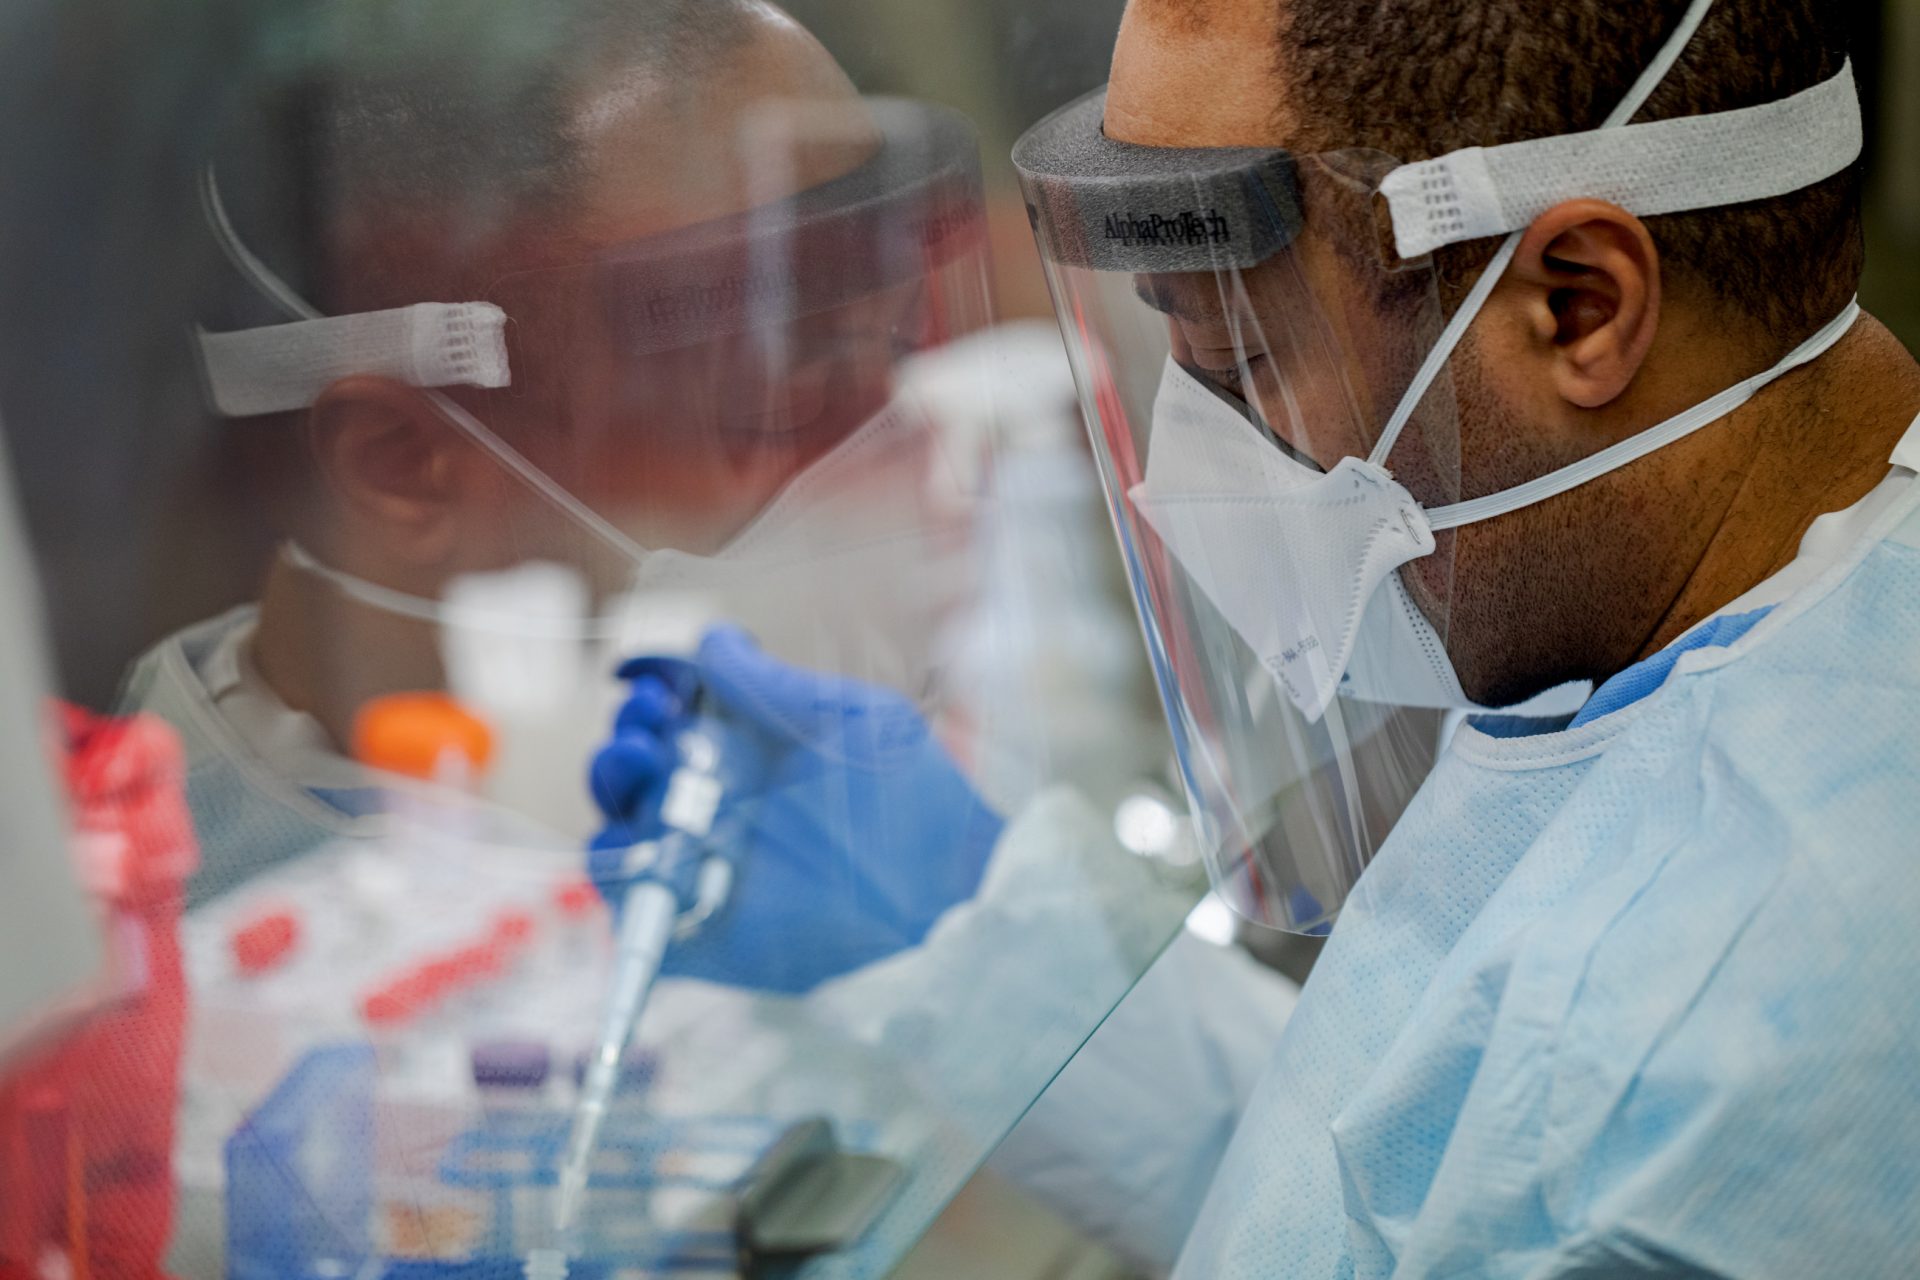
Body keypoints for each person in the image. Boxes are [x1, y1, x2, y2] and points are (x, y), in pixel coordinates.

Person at [108, 1, 1297, 1272]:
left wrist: (993, 926)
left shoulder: (827, 752)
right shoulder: (169, 1000)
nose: (900, 440)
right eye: (778, 366)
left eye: (891, 325)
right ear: (409, 464)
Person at [1006, 0, 1920, 1272]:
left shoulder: (1713, 1088)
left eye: (1242, 354)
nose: (1189, 465)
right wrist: (972, 949)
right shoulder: (1652, 627)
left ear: (1578, 307)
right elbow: (1375, 1164)